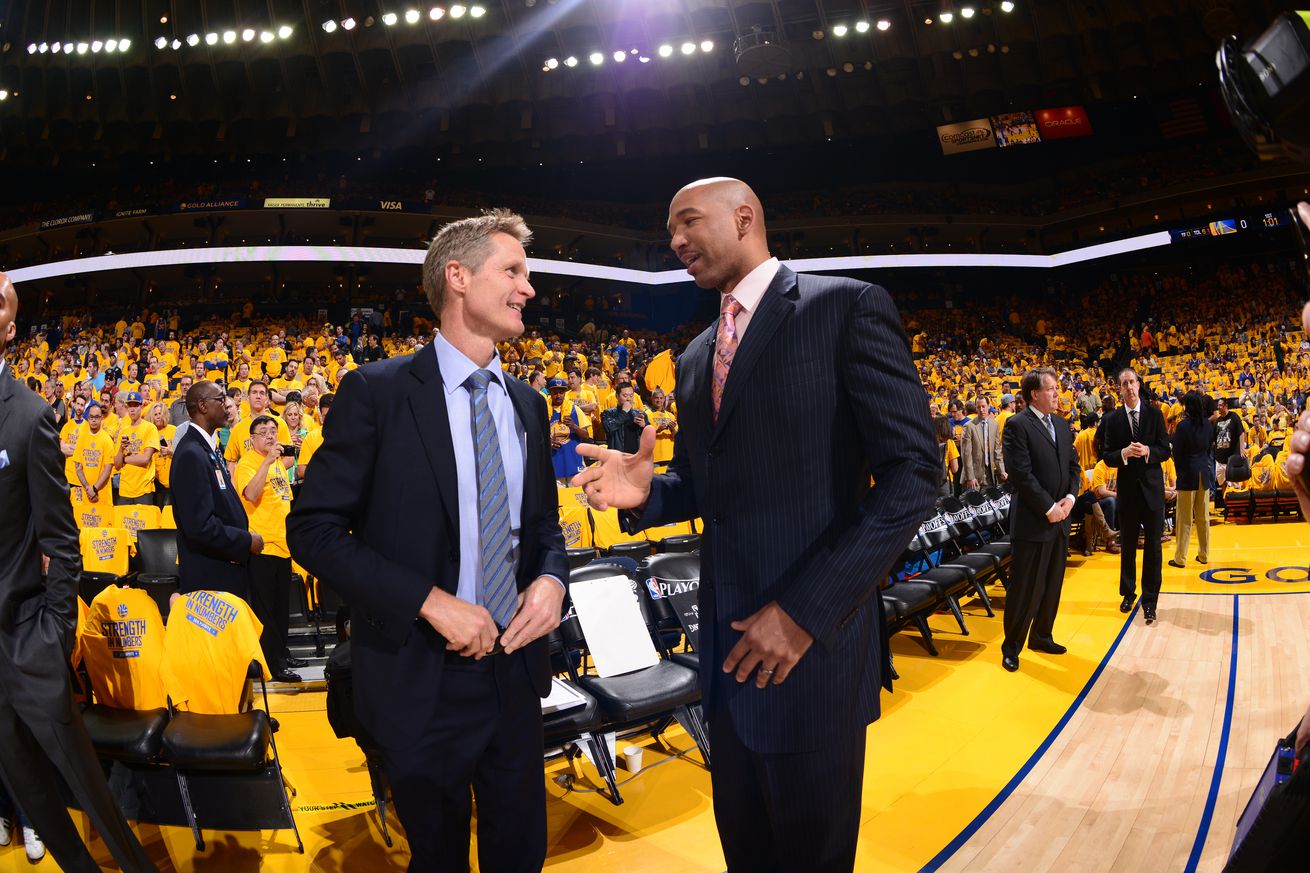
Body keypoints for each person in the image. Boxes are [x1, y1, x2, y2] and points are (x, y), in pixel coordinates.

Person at [573, 178, 938, 872]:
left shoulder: (846, 308)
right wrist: (648, 495)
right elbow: (716, 489)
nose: (675, 240)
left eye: (687, 222)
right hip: (725, 664)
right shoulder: (694, 355)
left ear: (744, 218)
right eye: (668, 228)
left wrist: (804, 612)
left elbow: (915, 473)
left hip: (810, 654)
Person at [287, 209, 568, 873]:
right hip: (423, 676)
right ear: (458, 277)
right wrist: (429, 600)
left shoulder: (529, 403)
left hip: (515, 670)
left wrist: (552, 581)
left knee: (519, 853)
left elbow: (545, 531)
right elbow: (311, 529)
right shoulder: (376, 392)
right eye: (513, 270)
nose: (530, 287)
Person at [0, 272, 161, 873]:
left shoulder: (30, 416)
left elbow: (62, 543)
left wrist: (55, 635)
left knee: (87, 793)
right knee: (31, 797)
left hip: (26, 642)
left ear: (10, 329)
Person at [998, 368, 1081, 672]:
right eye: (1052, 388)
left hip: (1061, 519)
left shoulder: (1061, 423)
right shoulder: (1017, 425)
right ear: (1035, 394)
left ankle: (1042, 636)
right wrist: (1049, 507)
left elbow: (1074, 467)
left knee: (1052, 584)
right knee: (1025, 588)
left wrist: (1070, 500)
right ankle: (1012, 646)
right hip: (1034, 521)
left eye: (1057, 388)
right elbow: (1020, 473)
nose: (1058, 393)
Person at [171, 381, 262, 598]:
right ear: (202, 406)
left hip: (224, 571)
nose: (227, 406)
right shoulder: (191, 453)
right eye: (220, 400)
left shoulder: (207, 448)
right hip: (211, 579)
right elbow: (200, 526)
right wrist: (245, 540)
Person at [1098, 367, 1171, 625]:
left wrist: (1149, 450)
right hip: (1127, 492)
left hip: (1152, 492)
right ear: (1119, 389)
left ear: (1139, 385)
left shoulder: (1155, 414)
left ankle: (1150, 601)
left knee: (1153, 547)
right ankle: (1128, 592)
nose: (1129, 387)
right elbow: (1106, 455)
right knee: (1127, 546)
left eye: (1132, 382)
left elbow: (1165, 449)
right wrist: (1124, 454)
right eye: (1124, 383)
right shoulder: (1113, 420)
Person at [235, 416, 300, 683]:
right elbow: (250, 494)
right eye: (264, 432)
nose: (271, 436)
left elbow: (286, 504)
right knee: (267, 613)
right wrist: (266, 461)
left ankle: (282, 654)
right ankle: (272, 665)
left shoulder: (278, 466)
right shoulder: (248, 463)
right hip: (262, 548)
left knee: (282, 609)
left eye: (273, 431)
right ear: (252, 439)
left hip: (283, 546)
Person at [112, 391, 159, 506]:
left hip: (143, 489)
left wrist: (125, 459)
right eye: (130, 406)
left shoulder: (150, 428)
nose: (132, 409)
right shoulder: (123, 430)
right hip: (124, 489)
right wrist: (121, 451)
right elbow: (117, 465)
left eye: (135, 405)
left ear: (141, 406)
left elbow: (145, 459)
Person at [961, 396, 1005, 489]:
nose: (981, 409)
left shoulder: (994, 425)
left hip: (990, 474)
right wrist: (970, 477)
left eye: (983, 406)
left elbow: (997, 450)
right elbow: (966, 454)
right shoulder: (969, 426)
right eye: (978, 407)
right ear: (976, 408)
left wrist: (1002, 470)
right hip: (973, 476)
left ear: (988, 406)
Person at [601, 382, 647, 453]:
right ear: (617, 396)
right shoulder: (608, 413)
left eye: (631, 396)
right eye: (625, 396)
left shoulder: (640, 413)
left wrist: (643, 427)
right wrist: (624, 412)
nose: (629, 399)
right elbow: (609, 429)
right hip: (617, 457)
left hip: (636, 457)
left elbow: (648, 436)